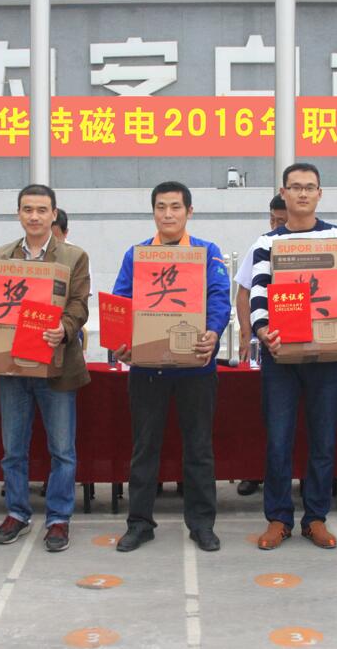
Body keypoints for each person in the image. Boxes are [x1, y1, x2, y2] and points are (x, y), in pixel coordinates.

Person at [110, 182, 230, 553]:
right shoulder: (137, 255)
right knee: (144, 448)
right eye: (161, 207)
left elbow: (219, 298)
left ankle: (202, 524)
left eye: (175, 207)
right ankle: (139, 524)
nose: (168, 214)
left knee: (199, 449)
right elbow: (121, 299)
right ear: (153, 212)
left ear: (189, 212)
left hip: (196, 368)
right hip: (147, 370)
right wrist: (121, 343)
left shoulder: (207, 253)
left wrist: (213, 332)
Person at [249, 163, 337, 550]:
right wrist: (262, 330)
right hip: (281, 355)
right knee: (278, 441)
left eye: (309, 187)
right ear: (283, 193)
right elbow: (259, 291)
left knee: (323, 441)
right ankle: (278, 518)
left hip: (327, 357)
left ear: (319, 193)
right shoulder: (267, 242)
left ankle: (315, 518)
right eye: (295, 187)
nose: (302, 193)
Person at [0, 184, 91, 553]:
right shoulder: (2, 256)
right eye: (28, 209)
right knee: (13, 448)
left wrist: (65, 329)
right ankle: (17, 513)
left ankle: (58, 518)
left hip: (56, 366)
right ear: (18, 214)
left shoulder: (73, 256)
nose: (35, 216)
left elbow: (79, 305)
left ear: (53, 214)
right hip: (12, 367)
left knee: (62, 450)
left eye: (42, 210)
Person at [231, 194, 287, 497]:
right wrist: (246, 332)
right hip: (264, 343)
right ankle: (252, 472)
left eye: (282, 220)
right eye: (273, 219)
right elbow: (244, 292)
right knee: (257, 412)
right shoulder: (261, 245)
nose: (277, 225)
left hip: (300, 345)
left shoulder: (314, 243)